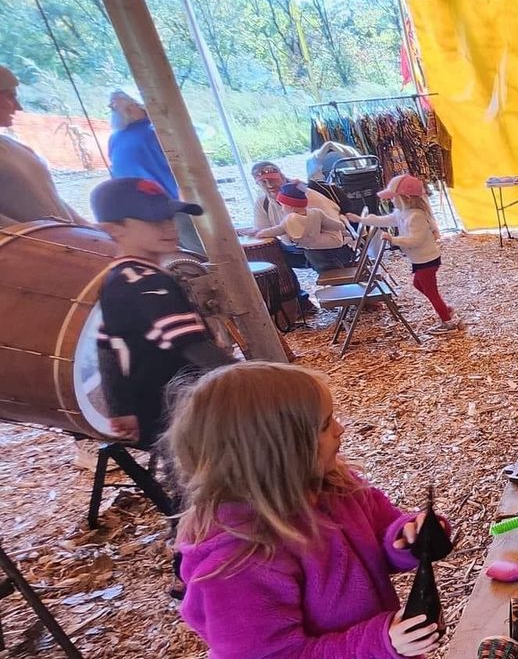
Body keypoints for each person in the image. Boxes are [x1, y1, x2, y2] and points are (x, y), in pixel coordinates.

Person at [171, 362, 446, 659]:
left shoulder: (334, 485)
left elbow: (382, 529)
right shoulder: (238, 559)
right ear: (278, 450)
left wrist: (409, 538)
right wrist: (381, 643)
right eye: (324, 424)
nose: (340, 429)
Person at [92, 177, 233, 594]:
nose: (168, 227)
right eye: (152, 221)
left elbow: (108, 346)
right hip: (178, 407)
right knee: (198, 487)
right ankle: (188, 574)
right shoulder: (144, 281)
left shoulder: (120, 277)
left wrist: (120, 406)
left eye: (169, 217)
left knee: (193, 484)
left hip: (159, 406)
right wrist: (256, 383)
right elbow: (192, 345)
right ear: (113, 229)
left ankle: (191, 568)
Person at [355, 174, 459, 333]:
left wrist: (393, 239)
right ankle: (445, 309)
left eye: (393, 197)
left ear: (406, 198)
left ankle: (447, 321)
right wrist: (361, 220)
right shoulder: (401, 212)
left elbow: (415, 240)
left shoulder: (416, 216)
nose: (391, 200)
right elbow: (385, 220)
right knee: (418, 285)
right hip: (420, 260)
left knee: (431, 292)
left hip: (427, 260)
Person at [106, 88, 203, 255]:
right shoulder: (115, 138)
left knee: (197, 250)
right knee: (168, 256)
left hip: (170, 204)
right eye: (112, 104)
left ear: (135, 105)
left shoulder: (158, 133)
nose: (112, 108)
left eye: (116, 103)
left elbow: (184, 164)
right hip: (139, 212)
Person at [0, 63, 86, 227]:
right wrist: (43, 238)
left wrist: (85, 226)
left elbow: (49, 197)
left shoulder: (16, 147)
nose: (19, 107)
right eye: (10, 96)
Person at [258, 181, 357, 274]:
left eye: (283, 206)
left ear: (291, 207)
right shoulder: (316, 212)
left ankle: (332, 277)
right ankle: (337, 277)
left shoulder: (290, 219)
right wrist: (343, 228)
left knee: (314, 256)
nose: (282, 210)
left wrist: (261, 233)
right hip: (336, 243)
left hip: (323, 252)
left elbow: (277, 230)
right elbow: (334, 224)